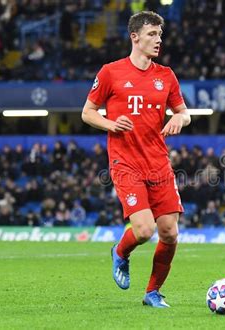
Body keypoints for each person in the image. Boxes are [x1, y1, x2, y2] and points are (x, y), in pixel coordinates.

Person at [81, 11, 191, 308]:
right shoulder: (111, 72)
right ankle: (120, 251)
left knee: (169, 232)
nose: (158, 40)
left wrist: (180, 118)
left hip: (159, 162)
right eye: (152, 34)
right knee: (144, 230)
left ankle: (153, 292)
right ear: (135, 37)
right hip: (126, 162)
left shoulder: (165, 75)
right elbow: (87, 112)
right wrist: (111, 124)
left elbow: (184, 111)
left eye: (160, 35)